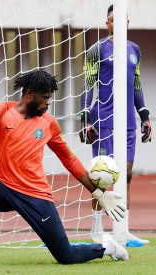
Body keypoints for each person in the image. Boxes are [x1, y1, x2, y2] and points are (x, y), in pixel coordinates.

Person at [0, 70, 128, 268]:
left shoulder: (49, 123)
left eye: (49, 99)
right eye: (45, 98)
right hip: (2, 188)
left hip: (35, 196)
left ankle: (109, 248)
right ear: (29, 94)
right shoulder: (1, 110)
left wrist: (98, 193)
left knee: (66, 257)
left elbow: (69, 159)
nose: (48, 103)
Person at [80, 4, 152, 245]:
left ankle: (123, 228)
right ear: (107, 23)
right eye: (112, 19)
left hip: (128, 122)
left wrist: (144, 114)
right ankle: (97, 227)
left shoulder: (135, 50)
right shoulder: (96, 49)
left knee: (127, 175)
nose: (117, 23)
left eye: (121, 19)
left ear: (127, 22)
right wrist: (85, 115)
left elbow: (137, 84)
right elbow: (87, 84)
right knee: (101, 175)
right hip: (103, 119)